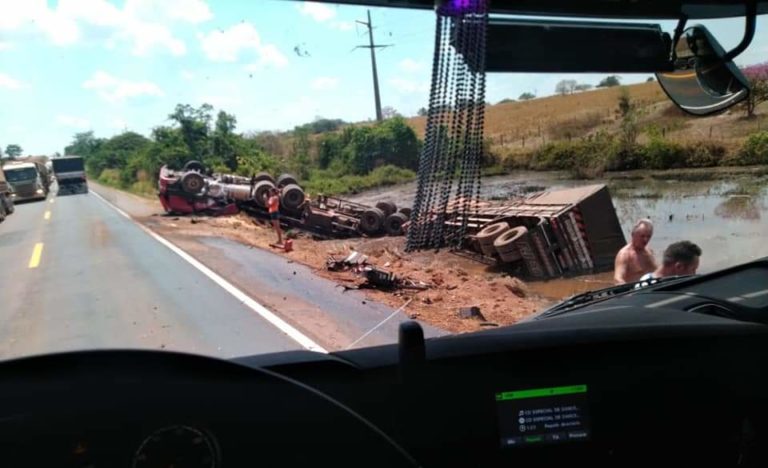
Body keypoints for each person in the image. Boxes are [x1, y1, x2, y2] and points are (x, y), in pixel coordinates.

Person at [614, 218, 657, 284]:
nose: (645, 240)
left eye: (648, 236)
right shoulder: (624, 255)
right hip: (634, 291)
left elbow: (657, 271)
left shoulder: (649, 251)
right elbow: (618, 279)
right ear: (633, 235)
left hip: (649, 289)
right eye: (642, 236)